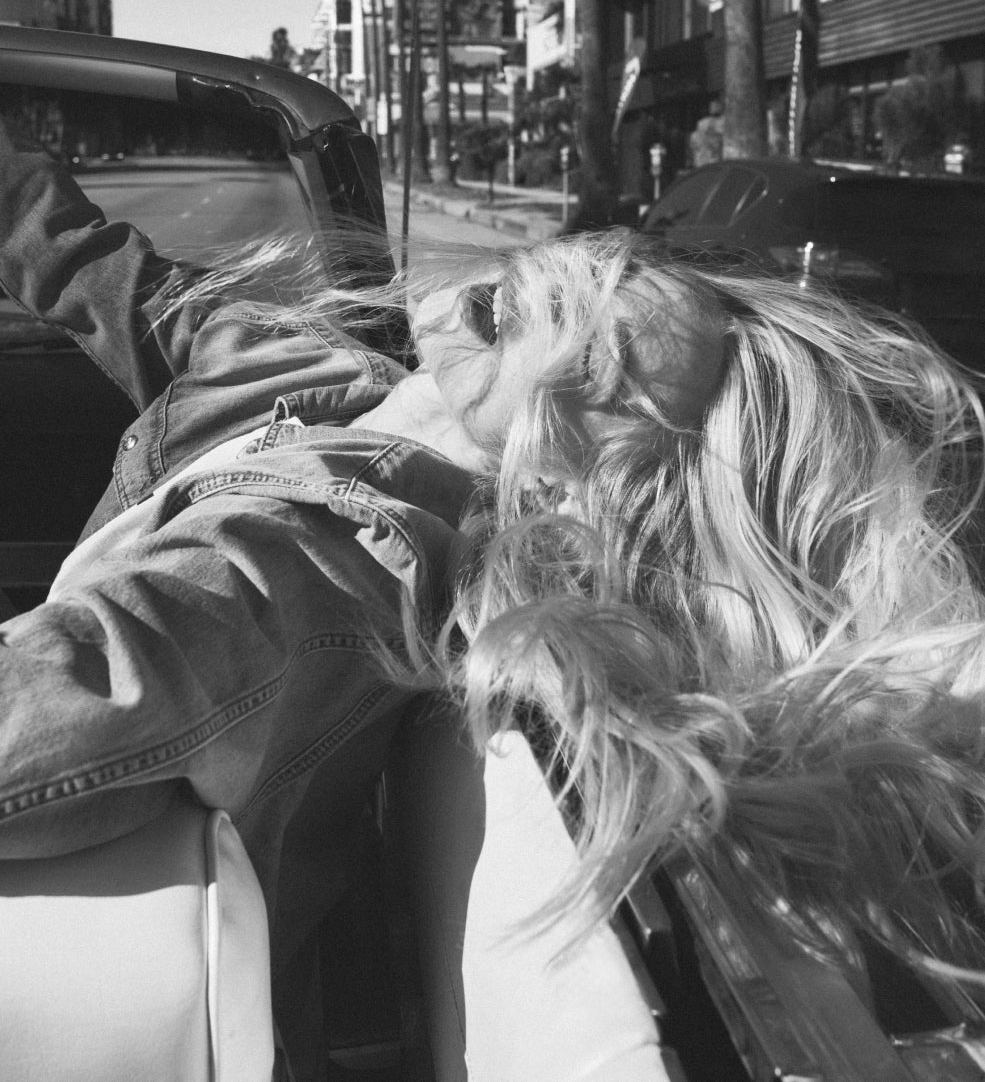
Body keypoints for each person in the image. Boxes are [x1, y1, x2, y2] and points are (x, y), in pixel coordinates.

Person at [2, 112, 985, 1058]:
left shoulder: (323, 568)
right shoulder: (321, 372)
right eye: (598, 271)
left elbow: (56, 704)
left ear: (577, 487)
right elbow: (104, 271)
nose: (530, 291)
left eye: (594, 354)